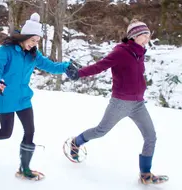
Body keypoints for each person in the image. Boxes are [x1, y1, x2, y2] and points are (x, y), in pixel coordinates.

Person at [0, 12, 75, 180]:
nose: (35, 44)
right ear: (25, 36)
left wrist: (66, 67)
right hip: (5, 94)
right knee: (5, 132)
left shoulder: (33, 54)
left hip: (23, 97)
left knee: (30, 131)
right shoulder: (6, 51)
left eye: (37, 41)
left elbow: (50, 66)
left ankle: (25, 169)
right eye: (33, 40)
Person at [66, 19, 168, 184]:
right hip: (120, 102)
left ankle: (145, 174)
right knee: (101, 131)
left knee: (151, 136)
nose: (147, 37)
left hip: (138, 104)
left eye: (148, 34)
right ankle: (76, 142)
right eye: (144, 34)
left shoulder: (140, 52)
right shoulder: (120, 52)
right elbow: (100, 66)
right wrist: (79, 73)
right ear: (133, 36)